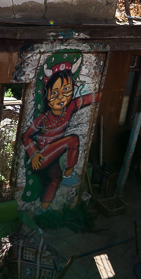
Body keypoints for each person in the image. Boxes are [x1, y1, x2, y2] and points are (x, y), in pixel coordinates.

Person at [23, 59, 101, 209]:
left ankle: (43, 208)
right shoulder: (43, 118)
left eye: (66, 91)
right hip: (41, 157)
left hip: (53, 157)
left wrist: (109, 93)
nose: (61, 97)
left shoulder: (69, 108)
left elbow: (89, 98)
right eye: (55, 93)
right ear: (47, 94)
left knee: (55, 179)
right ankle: (69, 174)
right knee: (72, 140)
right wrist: (34, 153)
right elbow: (26, 136)